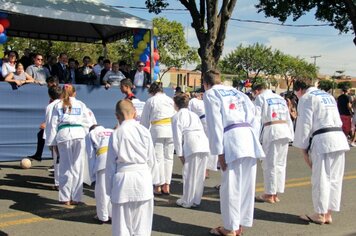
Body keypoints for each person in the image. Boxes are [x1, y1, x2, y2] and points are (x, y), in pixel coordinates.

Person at [203, 69, 265, 236]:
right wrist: (252, 135)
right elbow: (254, 114)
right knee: (246, 185)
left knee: (231, 186)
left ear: (205, 83)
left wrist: (219, 152)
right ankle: (240, 225)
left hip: (231, 138)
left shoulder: (210, 94)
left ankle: (230, 228)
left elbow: (214, 124)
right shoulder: (237, 92)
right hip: (248, 135)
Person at [292, 78, 349, 225]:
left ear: (299, 90)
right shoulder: (328, 96)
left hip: (323, 140)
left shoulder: (306, 98)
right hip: (338, 137)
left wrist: (303, 148)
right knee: (334, 179)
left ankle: (320, 214)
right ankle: (328, 213)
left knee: (321, 178)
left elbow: (304, 124)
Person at [105, 99, 157, 236]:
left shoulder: (116, 133)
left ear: (117, 116)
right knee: (142, 228)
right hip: (143, 178)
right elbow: (151, 159)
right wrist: (152, 181)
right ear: (135, 113)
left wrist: (109, 189)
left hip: (122, 181)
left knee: (121, 228)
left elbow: (110, 165)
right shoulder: (144, 131)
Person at [46, 84, 96, 205]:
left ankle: (65, 198)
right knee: (78, 167)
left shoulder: (57, 105)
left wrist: (52, 143)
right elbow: (88, 123)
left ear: (62, 93)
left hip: (63, 135)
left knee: (65, 167)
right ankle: (77, 198)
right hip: (79, 134)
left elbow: (53, 125)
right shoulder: (81, 104)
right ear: (74, 93)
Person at [252, 82, 294, 204]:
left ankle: (269, 194)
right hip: (284, 130)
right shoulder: (280, 98)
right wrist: (291, 134)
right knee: (280, 163)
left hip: (272, 130)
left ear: (257, 91)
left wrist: (254, 137)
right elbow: (288, 117)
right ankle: (275, 193)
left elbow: (256, 118)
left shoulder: (261, 98)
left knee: (269, 163)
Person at [172, 93, 210, 209]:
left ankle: (187, 200)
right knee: (199, 174)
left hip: (192, 143)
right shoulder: (194, 115)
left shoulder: (176, 116)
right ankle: (196, 200)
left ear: (175, 104)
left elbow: (177, 137)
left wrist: (180, 154)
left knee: (189, 173)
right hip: (203, 142)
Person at [140, 82, 175, 195]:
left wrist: (143, 135)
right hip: (170, 129)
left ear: (152, 91)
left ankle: (158, 185)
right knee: (168, 158)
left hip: (158, 129)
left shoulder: (151, 101)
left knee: (158, 159)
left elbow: (144, 121)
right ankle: (167, 185)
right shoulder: (170, 100)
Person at [86, 125, 113, 224]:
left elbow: (90, 155)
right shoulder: (111, 130)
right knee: (113, 189)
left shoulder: (91, 134)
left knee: (102, 191)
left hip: (102, 159)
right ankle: (113, 214)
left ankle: (102, 216)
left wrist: (92, 174)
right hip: (116, 159)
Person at [43, 86, 63, 190]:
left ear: (50, 96)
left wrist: (49, 141)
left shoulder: (50, 106)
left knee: (58, 161)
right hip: (68, 135)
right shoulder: (67, 103)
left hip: (56, 136)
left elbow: (50, 124)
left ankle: (58, 183)